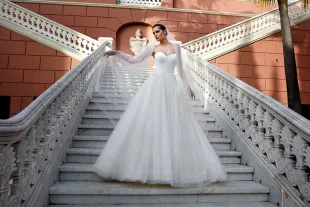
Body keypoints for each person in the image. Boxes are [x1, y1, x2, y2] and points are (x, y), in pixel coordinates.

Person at [93, 23, 227, 188]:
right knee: (150, 123)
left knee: (175, 124)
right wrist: (117, 53)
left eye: (158, 31)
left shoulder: (177, 47)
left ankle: (172, 169)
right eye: (154, 32)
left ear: (165, 31)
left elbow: (182, 70)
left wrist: (189, 87)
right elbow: (134, 60)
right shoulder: (152, 47)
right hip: (155, 86)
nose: (155, 34)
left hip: (171, 86)